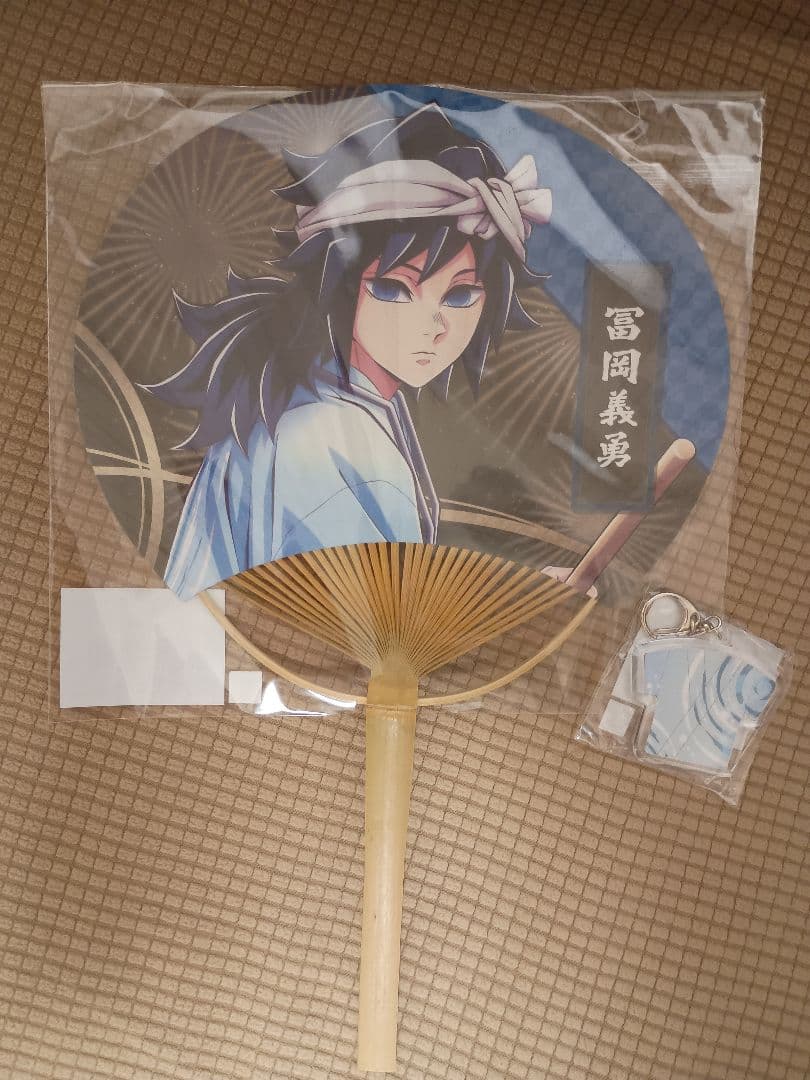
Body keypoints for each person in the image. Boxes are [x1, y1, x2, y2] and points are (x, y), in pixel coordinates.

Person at [144, 102, 552, 599]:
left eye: (461, 295)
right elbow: (376, 619)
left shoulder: (324, 396)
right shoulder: (324, 436)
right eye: (394, 289)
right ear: (339, 282)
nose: (432, 327)